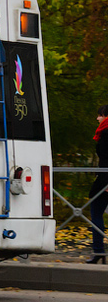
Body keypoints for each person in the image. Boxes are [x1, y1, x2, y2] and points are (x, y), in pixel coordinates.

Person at [89, 104, 108, 263]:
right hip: (104, 180)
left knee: (95, 212)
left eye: (99, 115)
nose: (97, 118)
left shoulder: (106, 132)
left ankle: (99, 252)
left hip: (105, 181)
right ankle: (99, 252)